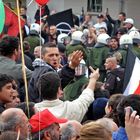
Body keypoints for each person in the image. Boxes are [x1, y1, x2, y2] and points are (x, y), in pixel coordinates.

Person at [35, 67, 100, 122]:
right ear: (59, 90)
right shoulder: (70, 109)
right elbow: (86, 97)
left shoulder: (34, 111)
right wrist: (93, 79)